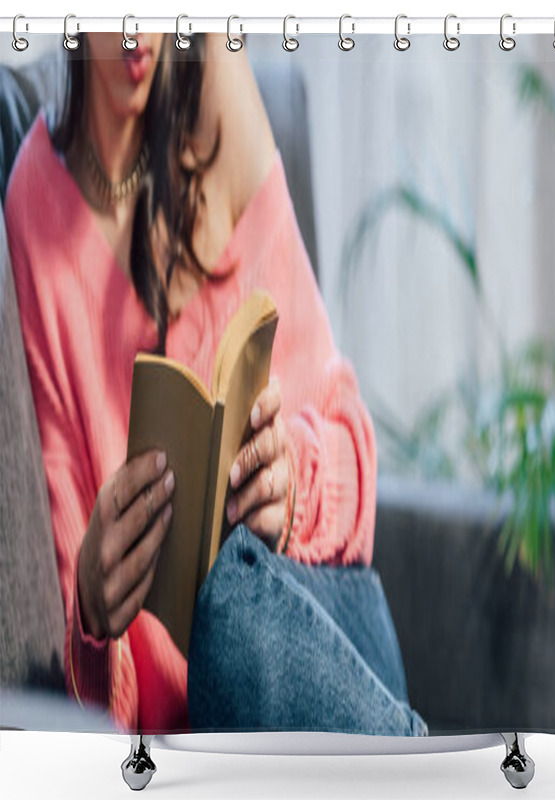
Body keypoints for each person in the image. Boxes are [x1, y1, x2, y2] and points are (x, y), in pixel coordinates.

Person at [5, 32, 427, 736]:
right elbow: (82, 672)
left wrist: (292, 484)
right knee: (223, 615)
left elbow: (353, 448)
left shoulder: (218, 102)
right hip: (215, 723)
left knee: (232, 603)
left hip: (327, 621)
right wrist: (95, 615)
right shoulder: (34, 207)